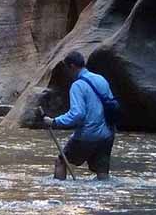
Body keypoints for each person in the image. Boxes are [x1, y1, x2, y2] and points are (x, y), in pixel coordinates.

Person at [41, 51, 115, 180]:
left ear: (72, 66)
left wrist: (54, 122)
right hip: (107, 134)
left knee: (61, 162)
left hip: (88, 134)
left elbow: (77, 114)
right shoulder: (101, 79)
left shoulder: (78, 86)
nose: (67, 73)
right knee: (102, 172)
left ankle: (59, 193)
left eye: (67, 68)